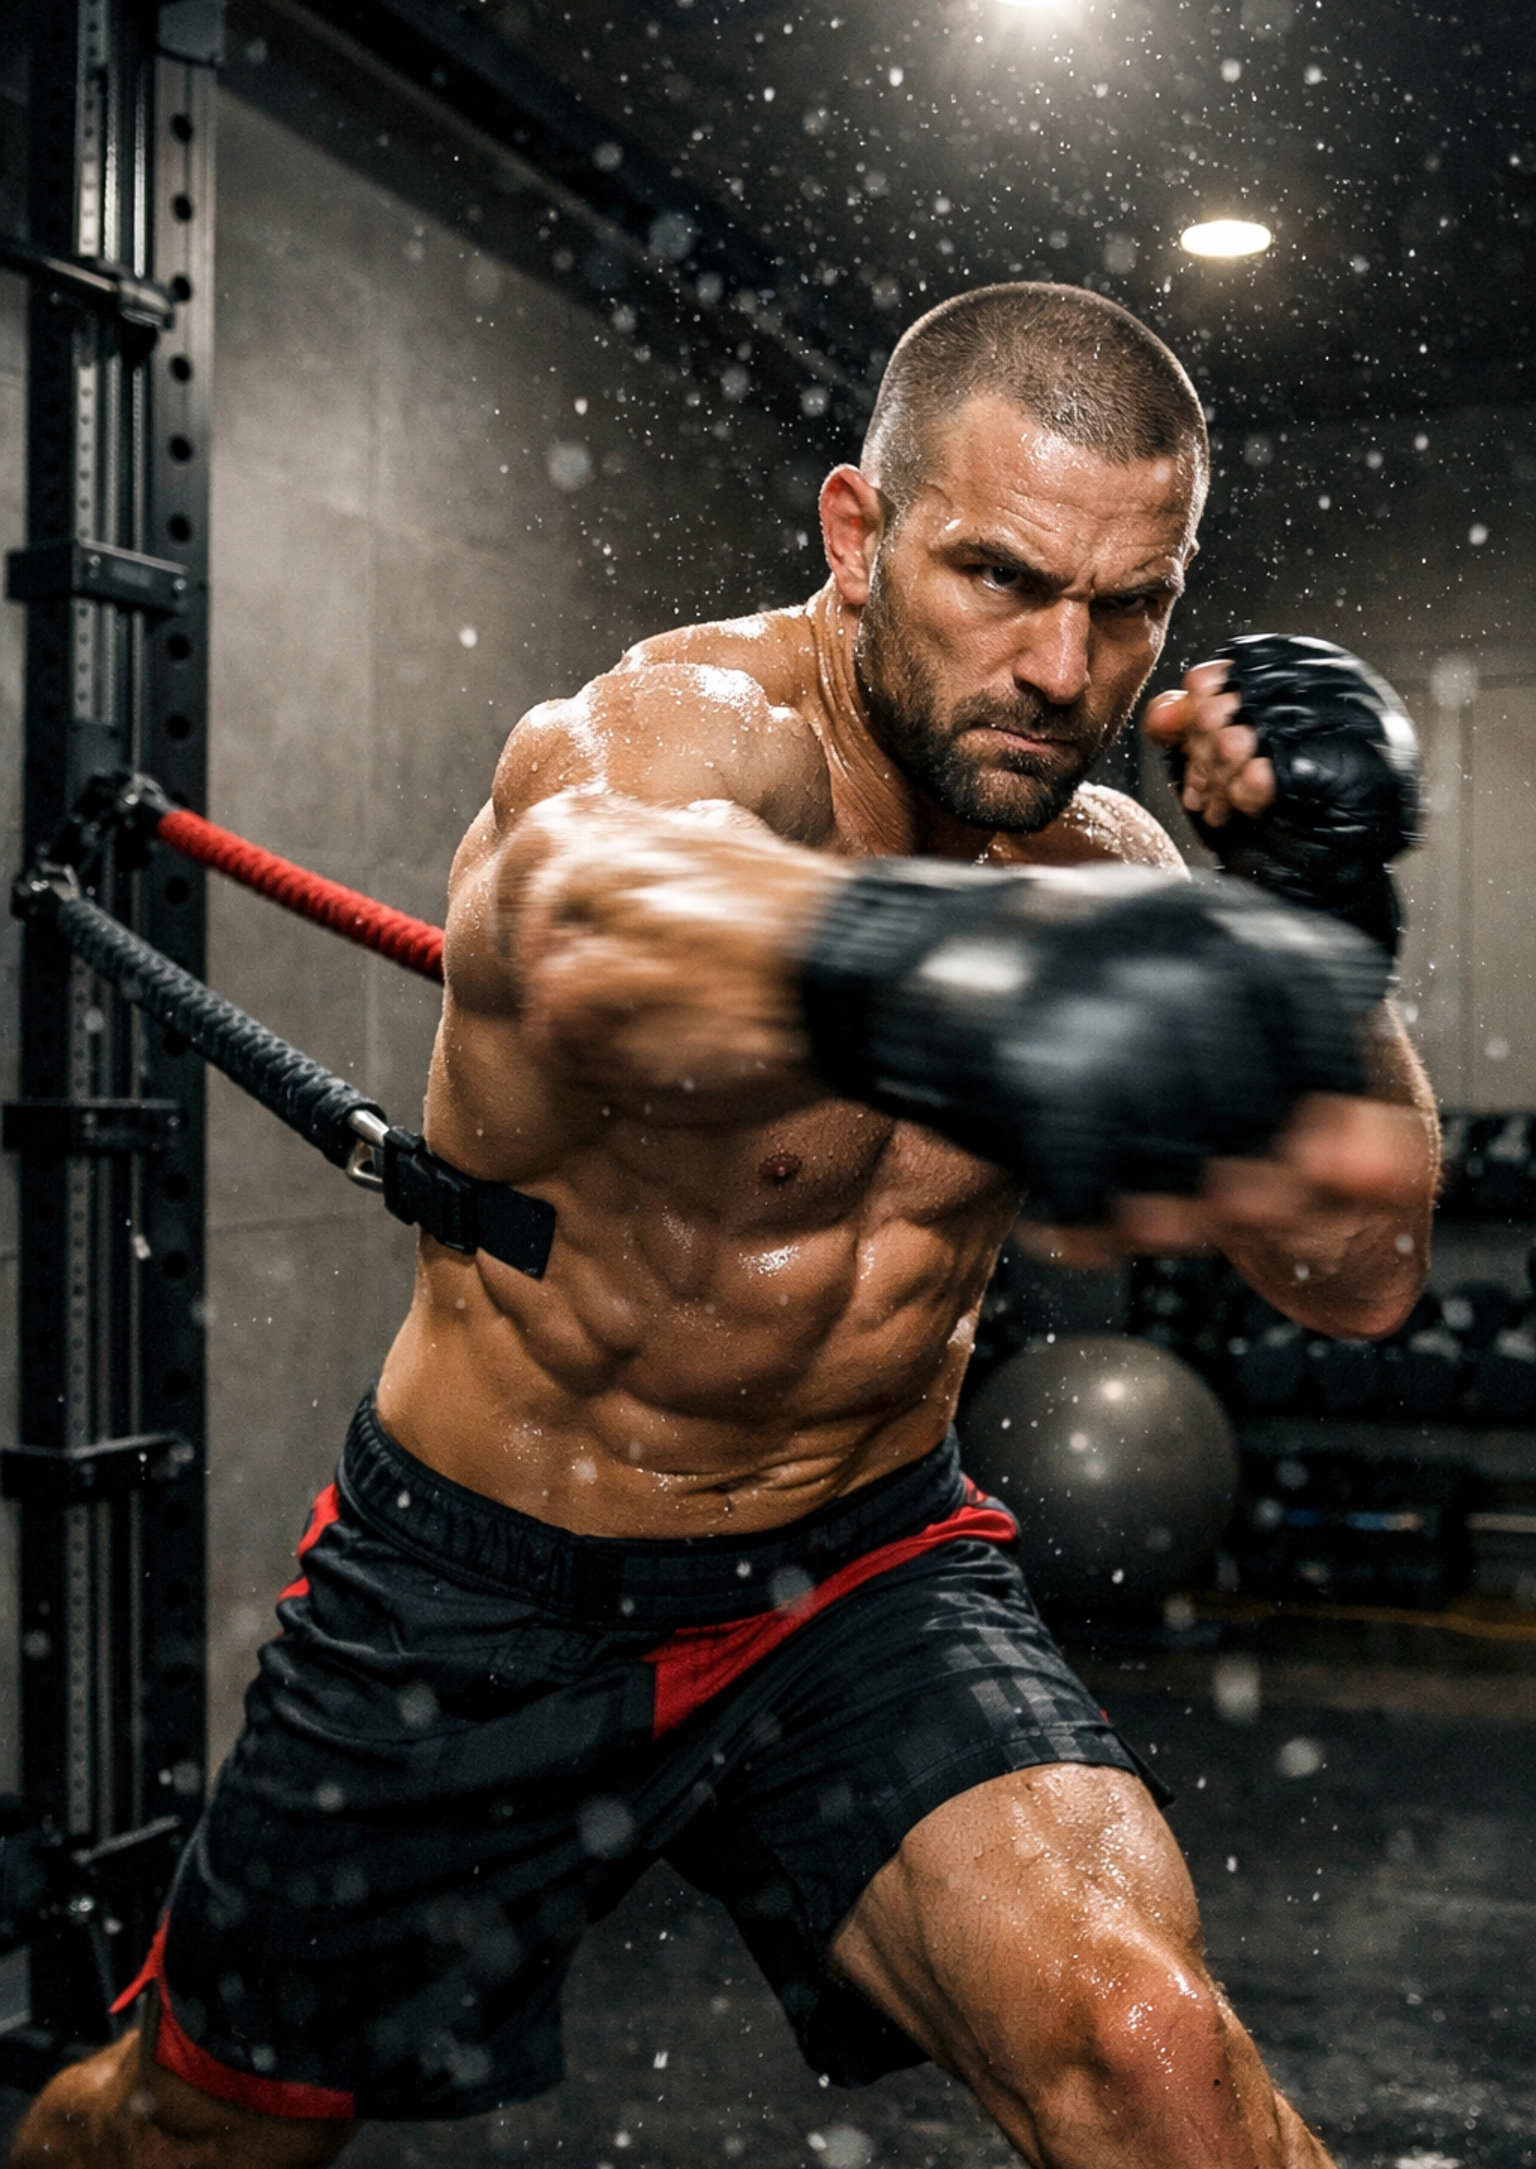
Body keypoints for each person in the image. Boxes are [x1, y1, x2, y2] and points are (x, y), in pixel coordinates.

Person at [15, 283, 1438, 2169]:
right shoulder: (686, 731)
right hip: (484, 1592)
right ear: (860, 534)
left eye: (1129, 607)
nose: (1060, 669)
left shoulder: (1109, 862)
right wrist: (962, 985)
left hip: (863, 1568)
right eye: (1000, 579)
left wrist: (1332, 938)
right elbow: (594, 923)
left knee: (1147, 2046)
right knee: (186, 2137)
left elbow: (1363, 1273)